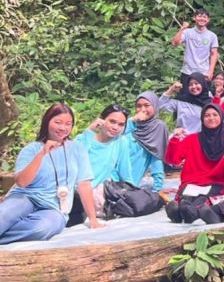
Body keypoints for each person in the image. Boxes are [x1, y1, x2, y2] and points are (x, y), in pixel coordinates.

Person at [0, 103, 104, 244]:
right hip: (25, 198)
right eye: (58, 122)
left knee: (42, 229)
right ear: (47, 122)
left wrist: (93, 219)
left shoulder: (77, 149)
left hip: (55, 208)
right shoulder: (31, 149)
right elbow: (22, 182)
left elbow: (84, 184)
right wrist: (41, 154)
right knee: (3, 215)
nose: (63, 128)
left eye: (68, 124)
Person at [163, 104, 224, 223]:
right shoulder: (192, 139)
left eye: (215, 115)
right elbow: (172, 160)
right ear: (202, 119)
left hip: (216, 183)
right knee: (185, 199)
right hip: (192, 183)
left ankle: (186, 213)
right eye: (207, 115)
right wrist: (175, 139)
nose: (211, 118)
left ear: (221, 117)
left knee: (204, 201)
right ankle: (181, 212)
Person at [71, 104, 135, 224]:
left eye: (121, 124)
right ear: (101, 120)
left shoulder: (121, 142)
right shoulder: (83, 138)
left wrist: (132, 193)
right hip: (76, 191)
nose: (116, 127)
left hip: (98, 192)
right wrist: (89, 130)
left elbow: (125, 174)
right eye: (112, 121)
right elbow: (74, 161)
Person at [125, 92, 168, 191]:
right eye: (139, 106)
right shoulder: (131, 124)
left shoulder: (158, 127)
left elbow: (157, 157)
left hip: (129, 182)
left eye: (147, 105)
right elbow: (114, 136)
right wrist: (133, 120)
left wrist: (157, 188)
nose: (142, 109)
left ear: (155, 106)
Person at [171, 8, 219, 87]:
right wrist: (182, 29)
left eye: (204, 17)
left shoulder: (212, 36)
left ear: (208, 20)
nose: (202, 19)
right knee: (185, 94)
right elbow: (174, 43)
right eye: (199, 16)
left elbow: (214, 54)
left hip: (204, 72)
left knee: (204, 94)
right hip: (187, 71)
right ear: (194, 18)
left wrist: (211, 71)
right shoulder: (187, 32)